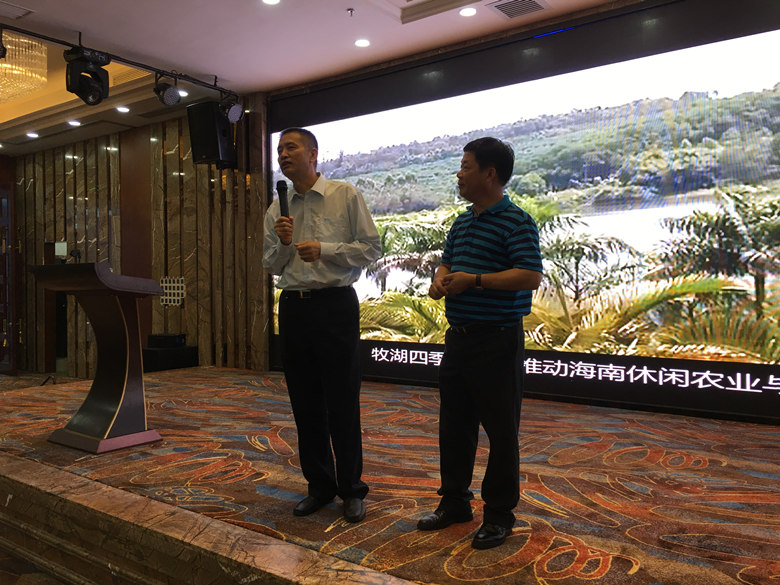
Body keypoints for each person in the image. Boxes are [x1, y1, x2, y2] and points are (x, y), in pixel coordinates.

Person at [417, 137, 543, 549]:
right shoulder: (462, 222)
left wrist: (475, 281)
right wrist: (440, 280)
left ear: (490, 174)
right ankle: (455, 503)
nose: (459, 173)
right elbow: (447, 262)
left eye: (466, 166)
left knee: (501, 432)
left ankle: (499, 514)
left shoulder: (517, 221)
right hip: (459, 339)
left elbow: (529, 275)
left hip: (497, 341)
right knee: (454, 426)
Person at [262, 127, 381, 523]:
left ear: (313, 154)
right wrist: (283, 244)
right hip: (293, 308)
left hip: (335, 305)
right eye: (279, 150)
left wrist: (325, 250)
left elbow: (371, 248)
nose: (283, 155)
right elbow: (270, 265)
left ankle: (352, 489)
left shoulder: (345, 195)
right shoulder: (276, 209)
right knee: (305, 402)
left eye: (291, 147)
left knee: (342, 400)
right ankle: (319, 486)